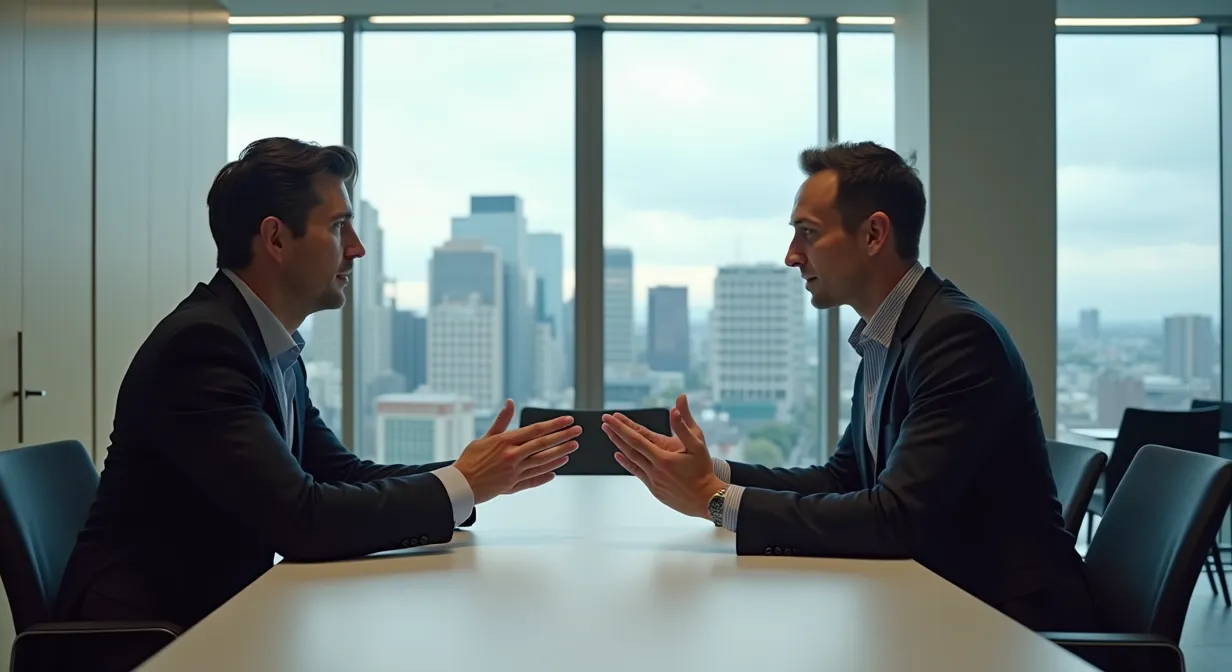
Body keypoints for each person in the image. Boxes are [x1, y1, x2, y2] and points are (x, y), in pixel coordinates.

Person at [55, 138, 581, 637]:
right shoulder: (203, 349)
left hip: (225, 616)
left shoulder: (264, 343)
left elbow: (337, 474)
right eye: (338, 227)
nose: (357, 249)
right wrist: (462, 483)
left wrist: (466, 475)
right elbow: (301, 520)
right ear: (276, 238)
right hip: (154, 636)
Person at [601, 141, 1098, 632]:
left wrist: (715, 500)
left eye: (808, 234)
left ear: (874, 235)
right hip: (935, 605)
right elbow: (844, 478)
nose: (791, 256)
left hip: (1009, 628)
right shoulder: (893, 332)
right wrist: (711, 472)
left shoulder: (954, 338)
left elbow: (895, 519)